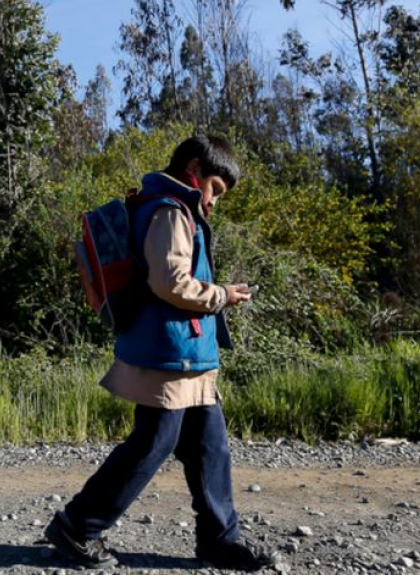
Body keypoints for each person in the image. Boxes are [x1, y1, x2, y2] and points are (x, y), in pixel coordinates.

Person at [45, 135, 275, 571]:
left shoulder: (170, 206)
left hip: (186, 354)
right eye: (215, 189)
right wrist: (222, 295)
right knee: (151, 444)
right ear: (194, 169)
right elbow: (170, 283)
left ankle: (220, 541)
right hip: (169, 353)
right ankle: (77, 526)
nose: (215, 201)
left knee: (210, 448)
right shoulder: (170, 211)